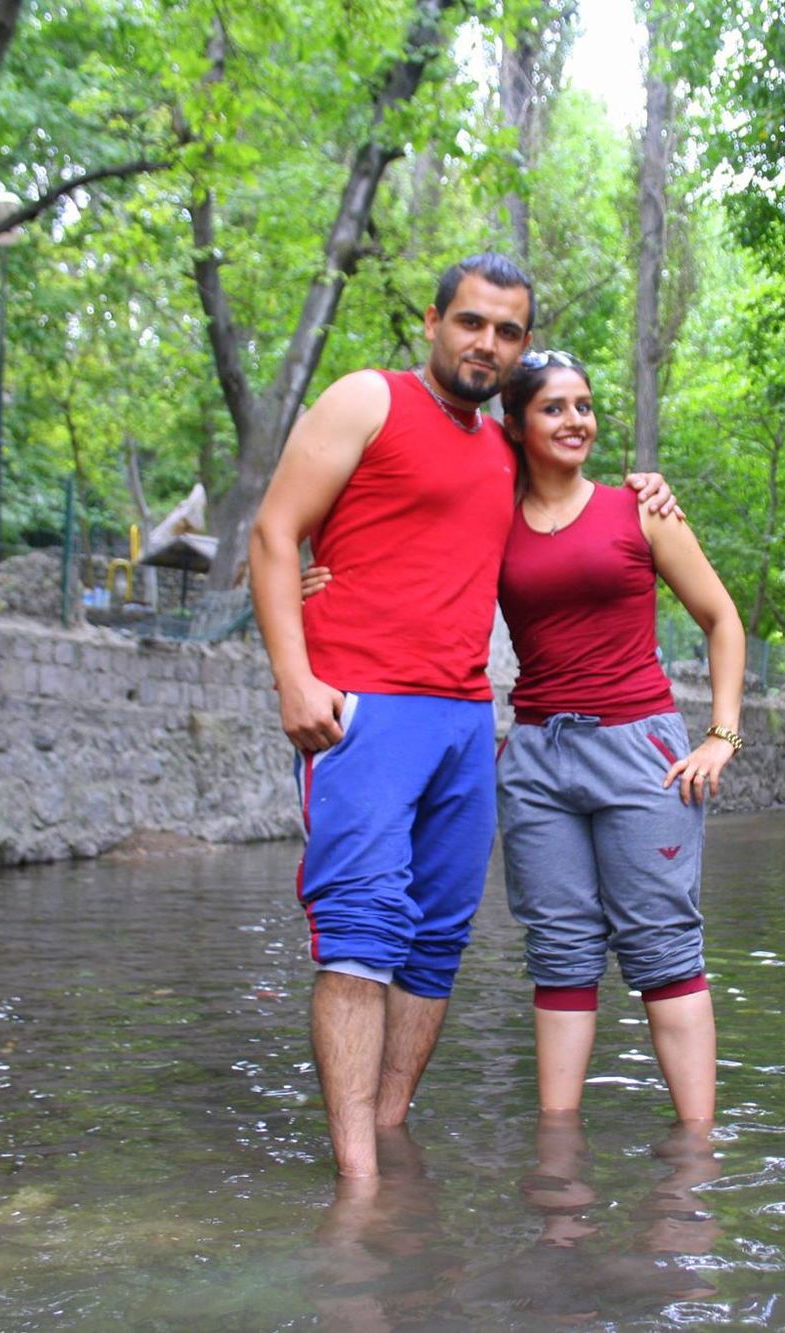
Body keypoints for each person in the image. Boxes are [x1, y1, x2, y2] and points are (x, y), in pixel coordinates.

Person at [247, 255, 675, 1179]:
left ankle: (392, 1145)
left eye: (508, 331)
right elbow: (275, 533)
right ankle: (359, 1187)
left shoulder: (501, 450)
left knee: (436, 937)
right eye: (472, 322)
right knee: (361, 932)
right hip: (362, 708)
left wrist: (650, 491)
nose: (488, 342)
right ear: (437, 321)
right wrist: (292, 672)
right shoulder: (369, 399)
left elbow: (571, 493)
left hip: (464, 720)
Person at [304, 349, 746, 1125]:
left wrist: (721, 736)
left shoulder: (640, 508)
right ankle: (558, 1158)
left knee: (663, 950)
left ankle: (697, 1161)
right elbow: (401, 550)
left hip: (639, 748)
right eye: (554, 408)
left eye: (584, 405)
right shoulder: (491, 515)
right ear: (516, 423)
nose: (576, 420)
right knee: (561, 955)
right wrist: (320, 574)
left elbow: (723, 618)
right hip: (537, 755)